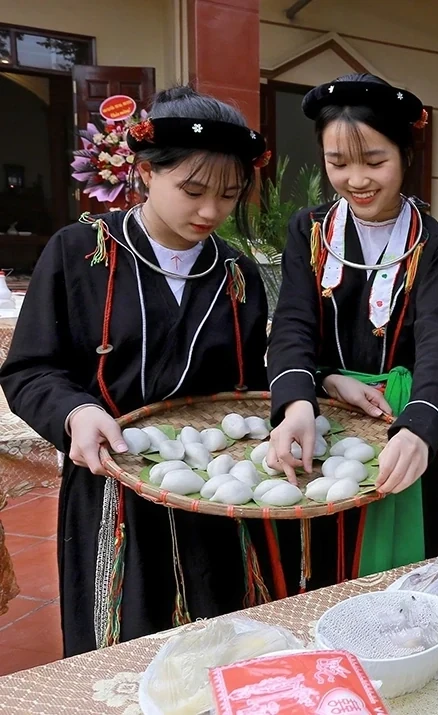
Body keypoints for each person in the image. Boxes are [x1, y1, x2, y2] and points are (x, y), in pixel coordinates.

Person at [0, 86, 275, 656]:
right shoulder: (82, 253)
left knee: (217, 639)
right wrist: (76, 413)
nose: (210, 212)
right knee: (124, 645)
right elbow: (30, 369)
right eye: (193, 191)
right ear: (147, 172)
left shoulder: (237, 274)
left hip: (214, 493)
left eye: (229, 195)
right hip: (112, 489)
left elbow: (250, 388)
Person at [265, 73, 438, 585]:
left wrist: (420, 427)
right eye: (338, 163)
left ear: (406, 154)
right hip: (322, 416)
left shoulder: (435, 244)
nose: (357, 179)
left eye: (375, 162)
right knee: (317, 558)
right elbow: (292, 323)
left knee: (391, 569)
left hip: (401, 416)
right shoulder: (310, 231)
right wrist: (301, 398)